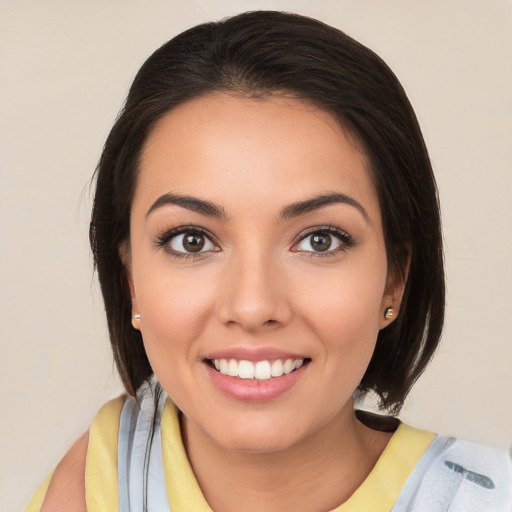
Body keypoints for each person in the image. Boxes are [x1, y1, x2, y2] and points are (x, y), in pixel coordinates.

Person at [27, 10, 511, 512]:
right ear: (130, 278)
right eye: (191, 241)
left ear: (394, 279)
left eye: (320, 241)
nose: (254, 305)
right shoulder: (99, 478)